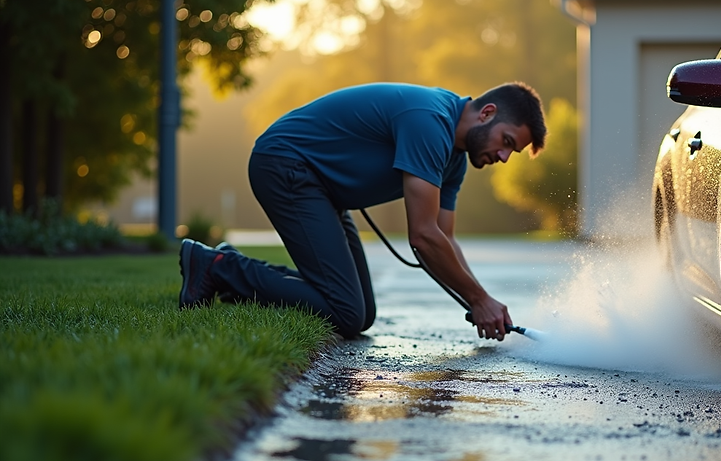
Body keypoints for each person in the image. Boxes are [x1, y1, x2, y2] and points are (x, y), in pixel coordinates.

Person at [177, 81, 547, 341]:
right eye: (507, 143)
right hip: (287, 165)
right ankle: (217, 267)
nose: (503, 157)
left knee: (361, 313)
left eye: (511, 152)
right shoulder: (430, 121)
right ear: (487, 113)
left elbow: (444, 237)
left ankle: (227, 271)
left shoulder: (455, 160)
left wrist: (481, 302)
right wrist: (481, 300)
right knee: (346, 312)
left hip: (323, 191)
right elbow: (422, 236)